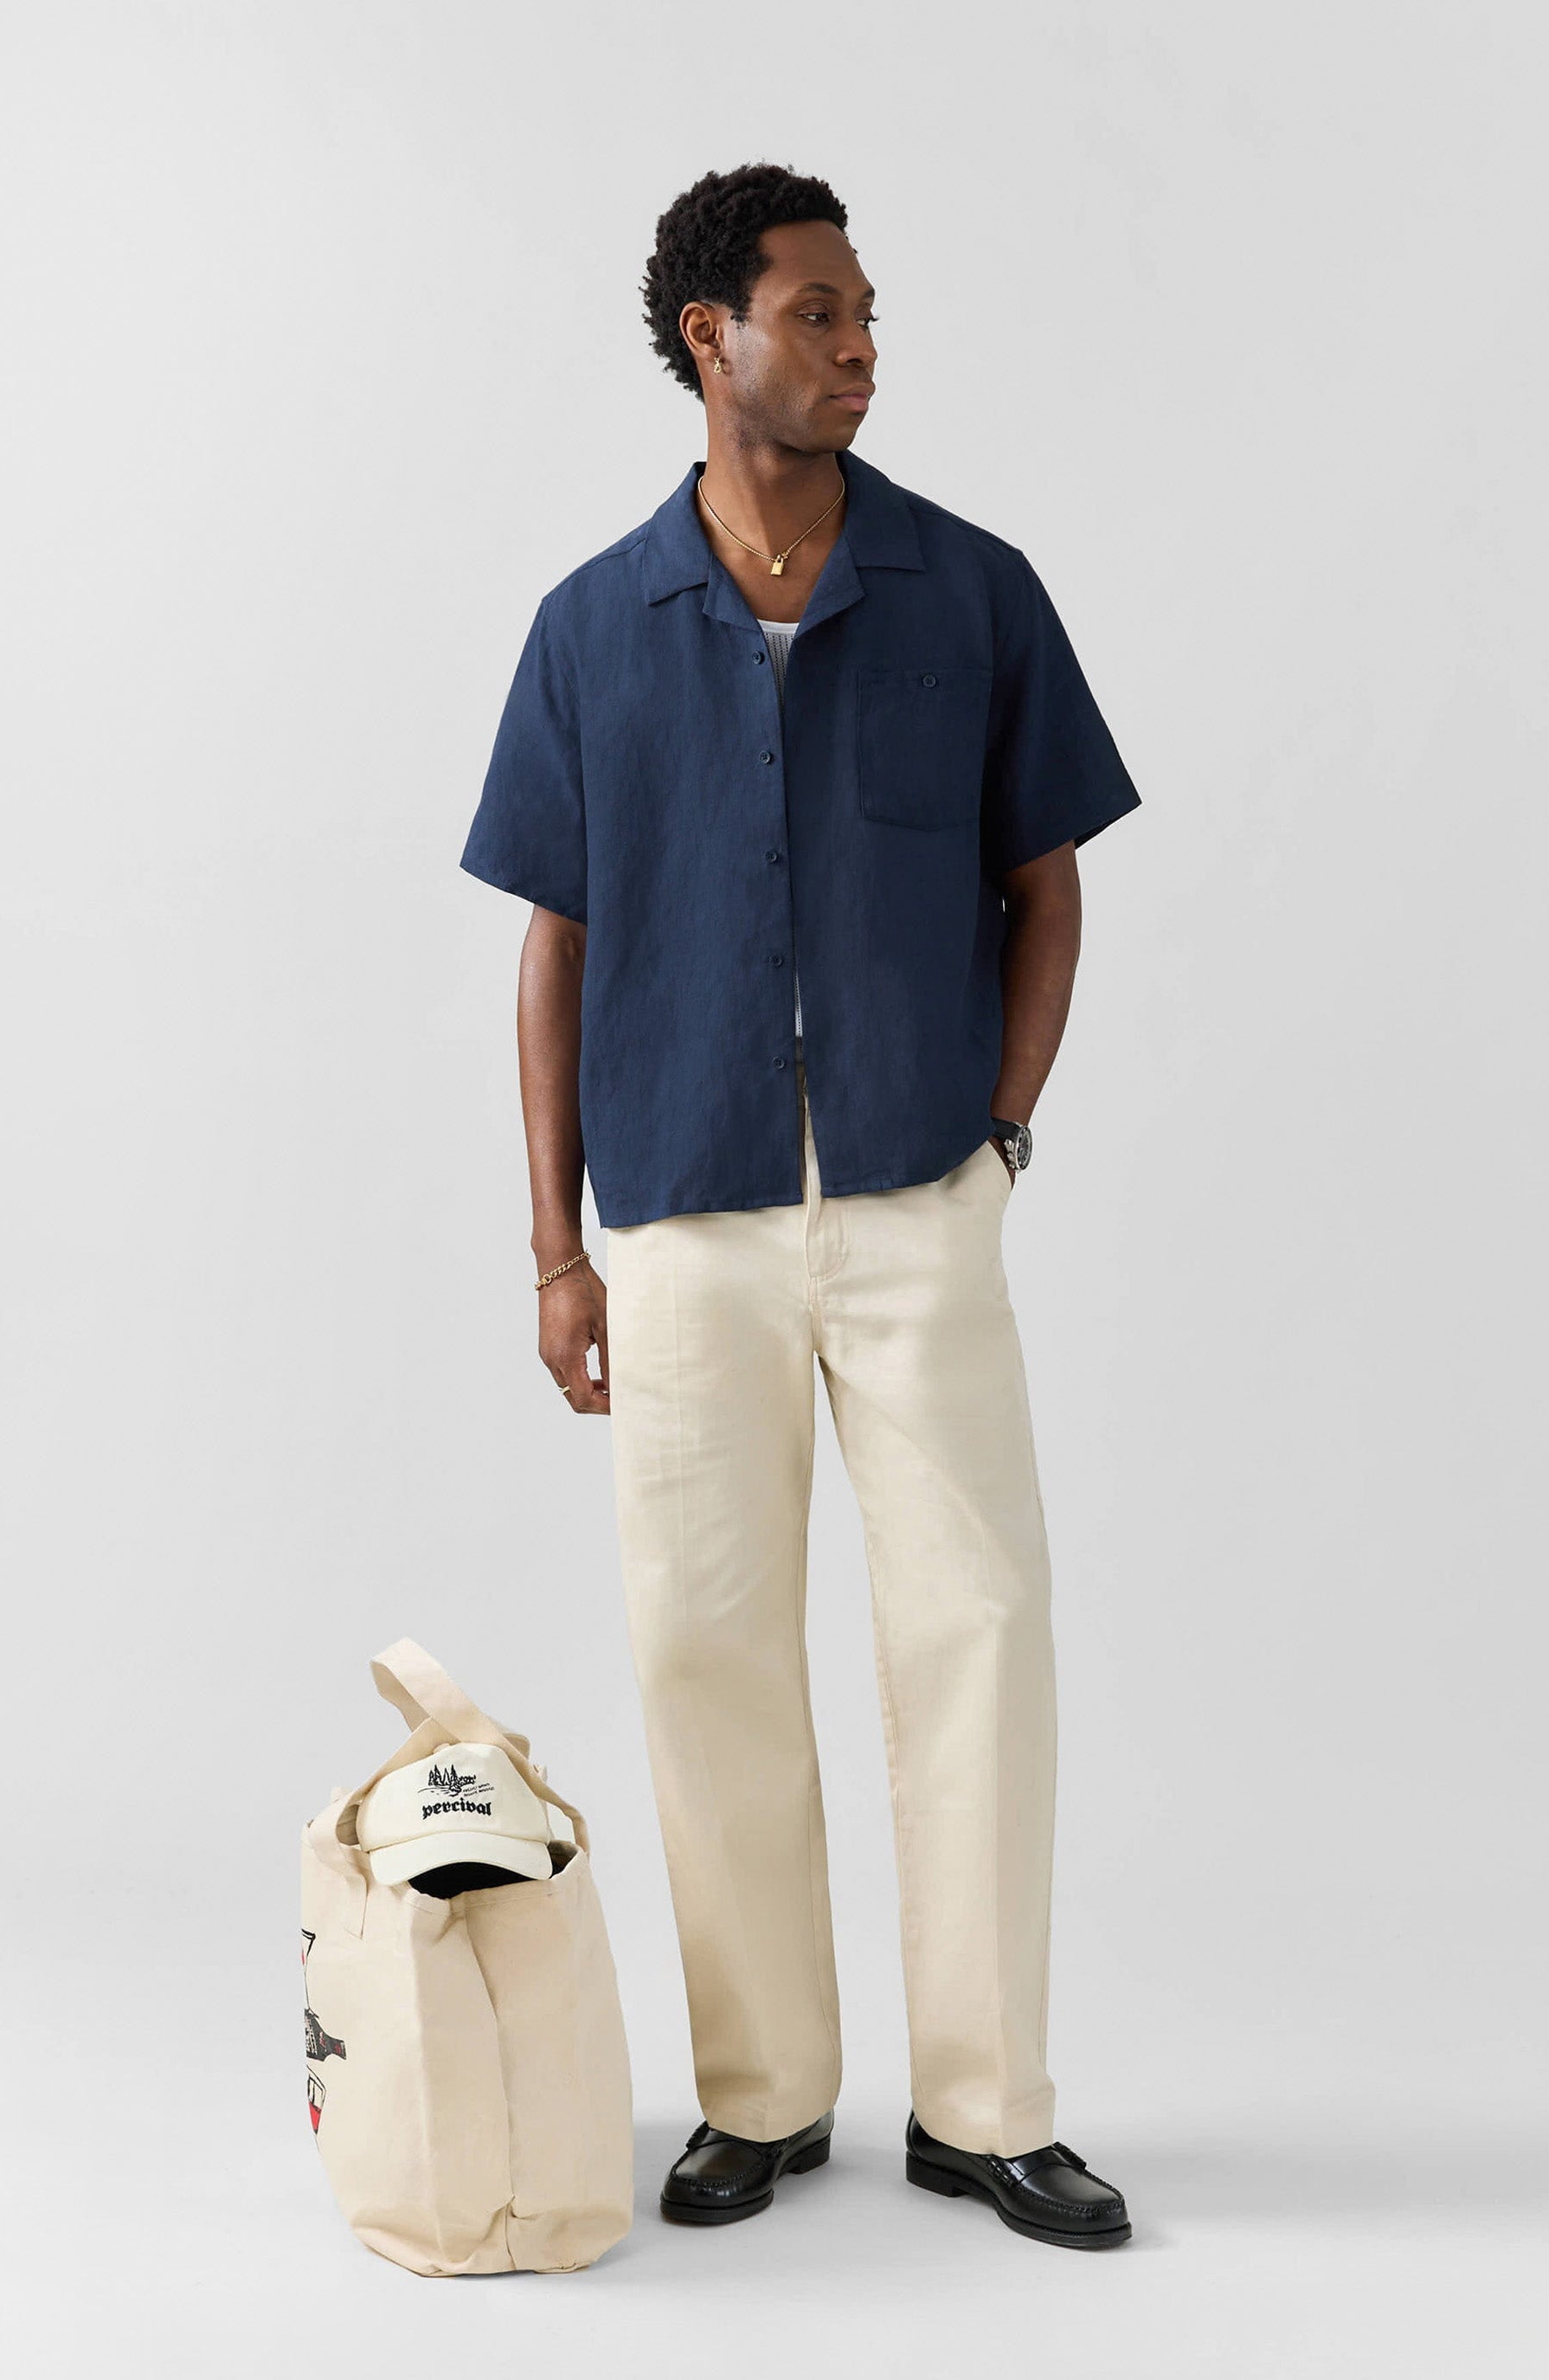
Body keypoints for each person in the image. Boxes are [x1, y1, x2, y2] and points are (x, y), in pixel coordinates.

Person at [459, 161, 1139, 2250]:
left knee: (980, 1635)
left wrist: (993, 1138)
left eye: (863, 314)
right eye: (819, 312)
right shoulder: (593, 626)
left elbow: (1047, 887)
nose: (859, 346)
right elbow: (553, 950)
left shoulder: (971, 589)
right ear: (710, 341)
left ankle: (988, 2101)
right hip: (678, 1217)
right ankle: (760, 2092)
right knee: (709, 1652)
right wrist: (557, 1248)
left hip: (918, 1200)